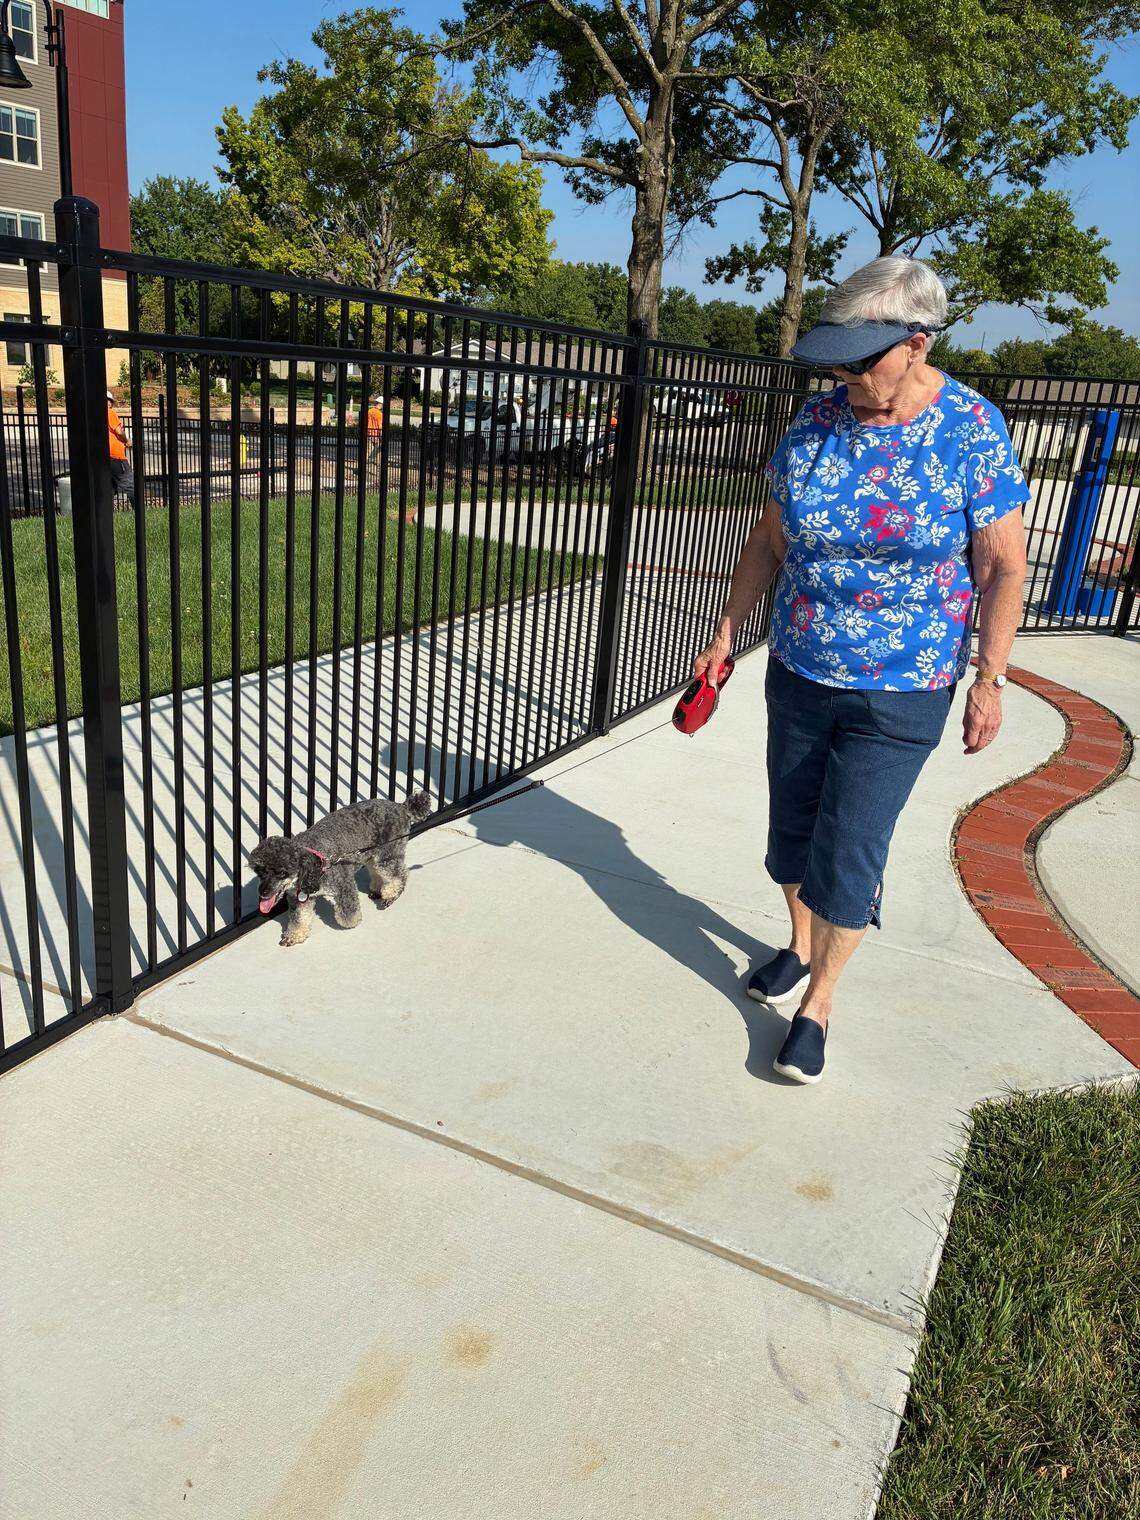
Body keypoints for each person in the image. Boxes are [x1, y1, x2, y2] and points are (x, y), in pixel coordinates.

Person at [693, 256, 1029, 1085]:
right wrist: (728, 628)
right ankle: (800, 947)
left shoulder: (971, 430)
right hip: (801, 665)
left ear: (917, 344)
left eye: (862, 360)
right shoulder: (814, 423)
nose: (845, 376)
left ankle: (820, 1002)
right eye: (837, 359)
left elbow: (1004, 567)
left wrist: (990, 678)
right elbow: (769, 541)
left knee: (851, 845)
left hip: (903, 686)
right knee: (793, 832)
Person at [106, 389, 135, 500]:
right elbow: (119, 432)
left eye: (110, 401)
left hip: (104, 456)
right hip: (116, 455)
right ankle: (137, 510)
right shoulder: (110, 412)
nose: (109, 403)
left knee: (109, 486)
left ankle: (106, 513)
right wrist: (126, 440)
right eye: (108, 400)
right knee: (129, 484)